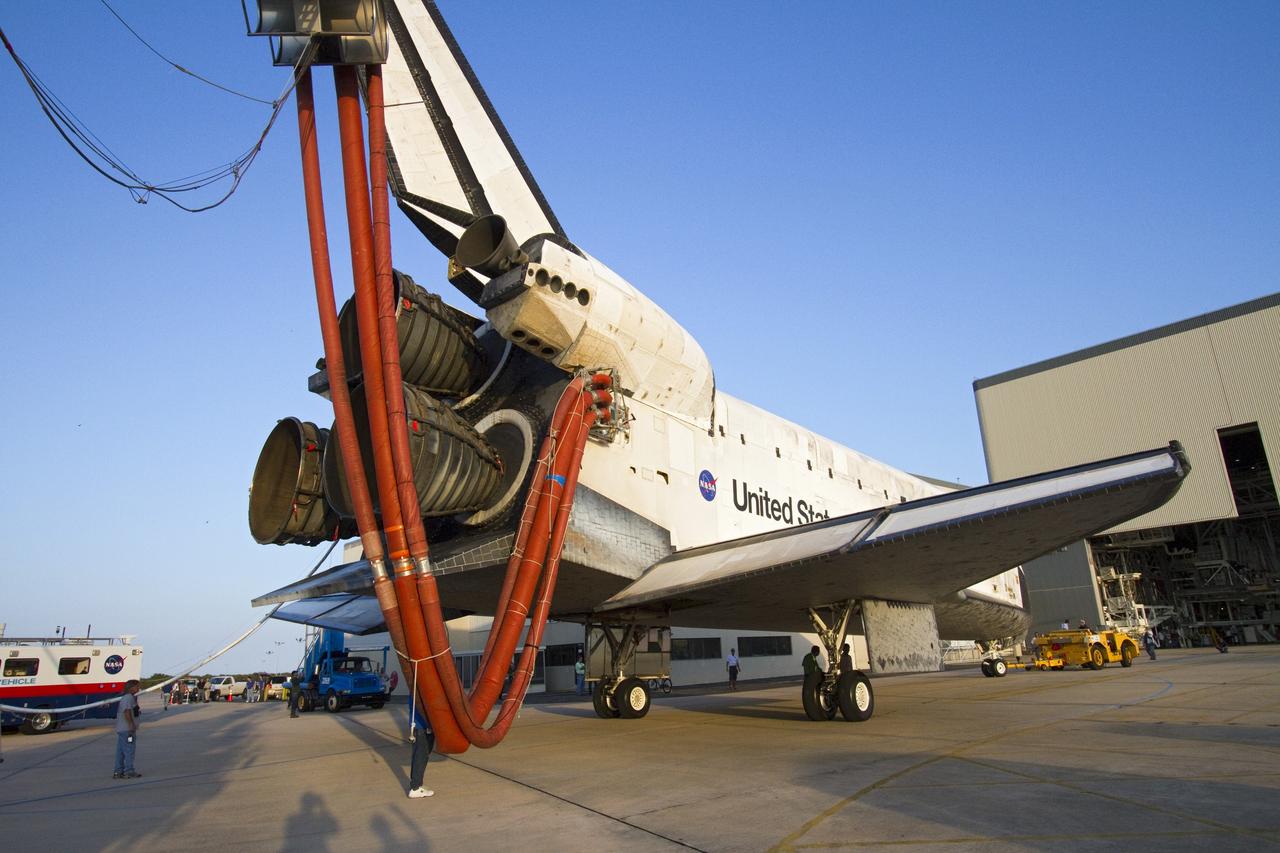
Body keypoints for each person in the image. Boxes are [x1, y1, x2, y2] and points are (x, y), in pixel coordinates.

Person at [113, 679, 142, 779]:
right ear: (131, 687)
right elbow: (127, 712)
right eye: (137, 686)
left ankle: (118, 771)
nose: (138, 688)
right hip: (127, 730)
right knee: (129, 749)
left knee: (121, 751)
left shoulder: (128, 698)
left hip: (122, 729)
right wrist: (131, 725)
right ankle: (129, 770)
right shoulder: (128, 698)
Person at [407, 704, 435, 799]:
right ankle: (415, 788)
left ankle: (417, 784)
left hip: (422, 726)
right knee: (420, 755)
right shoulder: (416, 690)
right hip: (419, 727)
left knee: (422, 755)